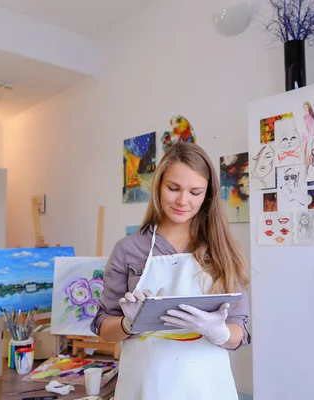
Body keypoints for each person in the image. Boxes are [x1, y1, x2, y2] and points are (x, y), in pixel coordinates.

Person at [91, 142, 251, 400]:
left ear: (208, 195)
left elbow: (239, 332)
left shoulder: (222, 250)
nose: (182, 201)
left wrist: (219, 331)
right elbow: (103, 326)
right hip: (146, 389)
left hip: (207, 390)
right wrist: (128, 324)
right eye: (173, 188)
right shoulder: (128, 249)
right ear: (158, 186)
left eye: (195, 192)